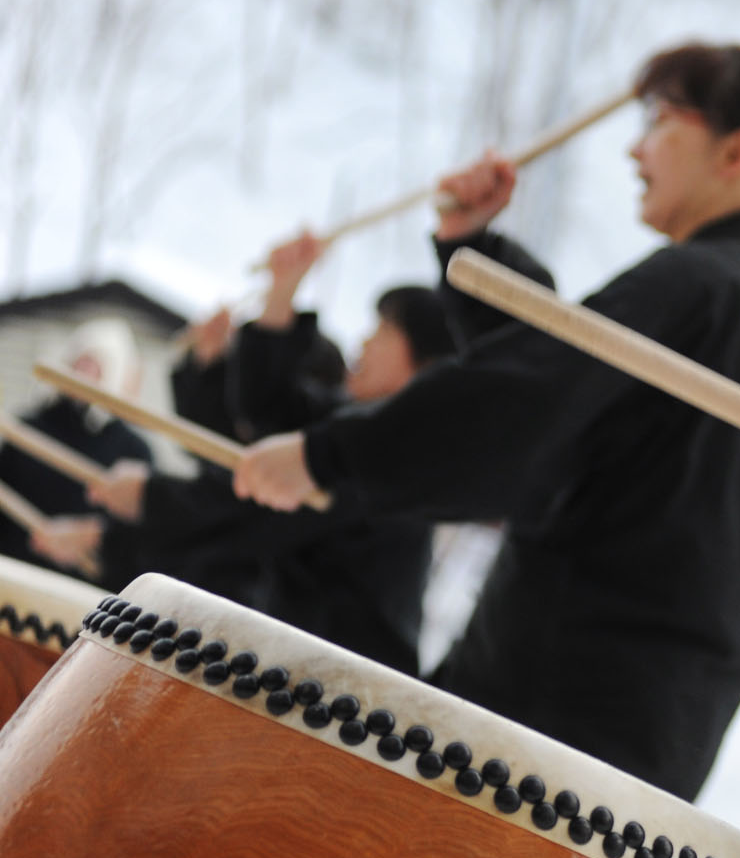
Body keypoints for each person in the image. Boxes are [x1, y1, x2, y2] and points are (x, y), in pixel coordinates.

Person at [232, 43, 740, 801]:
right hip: (631, 723)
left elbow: (532, 401)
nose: (634, 146)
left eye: (658, 121)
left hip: (561, 714)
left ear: (737, 150)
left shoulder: (703, 281)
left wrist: (328, 459)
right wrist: (471, 246)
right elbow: (575, 385)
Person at [62, 233, 456, 673]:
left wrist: (145, 502)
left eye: (383, 331)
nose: (364, 342)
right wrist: (279, 296)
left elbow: (254, 508)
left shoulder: (394, 451)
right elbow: (264, 418)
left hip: (344, 675)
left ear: (426, 366)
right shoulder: (354, 426)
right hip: (297, 652)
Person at [2, 318, 153, 578]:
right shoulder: (26, 429)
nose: (84, 375)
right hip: (13, 572)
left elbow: (137, 535)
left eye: (96, 367)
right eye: (81, 362)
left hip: (83, 592)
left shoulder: (132, 451)